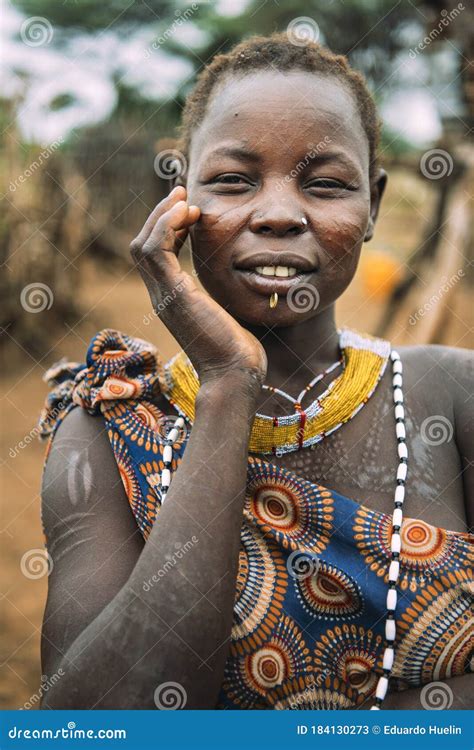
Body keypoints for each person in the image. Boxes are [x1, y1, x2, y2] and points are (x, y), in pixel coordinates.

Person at [37, 33, 473, 710]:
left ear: (374, 206)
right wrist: (228, 385)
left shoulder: (452, 396)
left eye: (325, 184)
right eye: (233, 181)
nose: (276, 214)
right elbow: (97, 723)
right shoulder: (106, 435)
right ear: (180, 197)